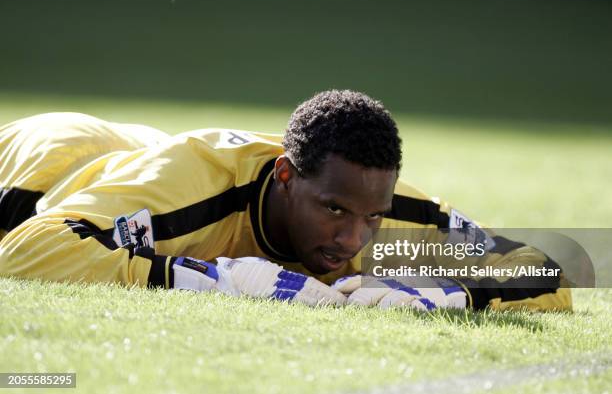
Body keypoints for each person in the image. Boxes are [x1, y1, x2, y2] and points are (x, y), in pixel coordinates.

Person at [0, 90, 571, 311]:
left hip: (136, 162)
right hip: (47, 157)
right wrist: (217, 279)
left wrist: (445, 296)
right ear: (285, 176)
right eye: (334, 210)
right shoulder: (192, 188)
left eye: (371, 215)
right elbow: (25, 253)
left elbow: (552, 273)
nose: (353, 239)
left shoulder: (391, 212)